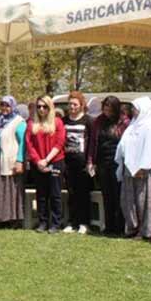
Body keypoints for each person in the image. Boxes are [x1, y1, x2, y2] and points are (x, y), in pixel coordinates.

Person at [115, 97, 151, 240]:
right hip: (129, 169)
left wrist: (143, 167)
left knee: (143, 202)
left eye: (136, 108)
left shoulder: (150, 127)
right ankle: (131, 228)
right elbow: (124, 146)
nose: (133, 111)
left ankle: (144, 231)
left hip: (144, 172)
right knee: (127, 201)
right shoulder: (133, 126)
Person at [26, 96, 66, 233]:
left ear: (50, 108)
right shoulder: (32, 124)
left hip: (55, 162)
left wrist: (47, 160)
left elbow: (60, 143)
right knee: (41, 194)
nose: (41, 109)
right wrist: (38, 161)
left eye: (44, 106)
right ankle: (42, 222)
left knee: (55, 194)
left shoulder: (58, 122)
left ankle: (55, 223)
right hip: (38, 164)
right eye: (39, 106)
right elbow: (29, 145)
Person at [0, 96, 27, 227]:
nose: (4, 108)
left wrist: (19, 161)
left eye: (7, 105)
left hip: (10, 160)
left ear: (13, 106)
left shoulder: (19, 122)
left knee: (9, 190)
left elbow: (22, 144)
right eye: (2, 105)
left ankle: (12, 219)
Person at [89, 96, 127, 235]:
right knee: (107, 195)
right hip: (103, 162)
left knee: (118, 195)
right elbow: (93, 143)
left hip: (117, 162)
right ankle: (109, 225)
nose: (107, 112)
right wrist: (91, 161)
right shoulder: (99, 121)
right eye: (105, 109)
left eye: (110, 110)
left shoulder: (123, 122)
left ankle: (119, 227)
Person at [62, 91, 94, 234]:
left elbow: (93, 142)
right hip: (68, 163)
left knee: (83, 194)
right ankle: (72, 222)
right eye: (70, 104)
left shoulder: (88, 121)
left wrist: (90, 162)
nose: (72, 107)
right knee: (71, 193)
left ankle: (84, 222)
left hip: (83, 163)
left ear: (81, 105)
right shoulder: (64, 120)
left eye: (75, 104)